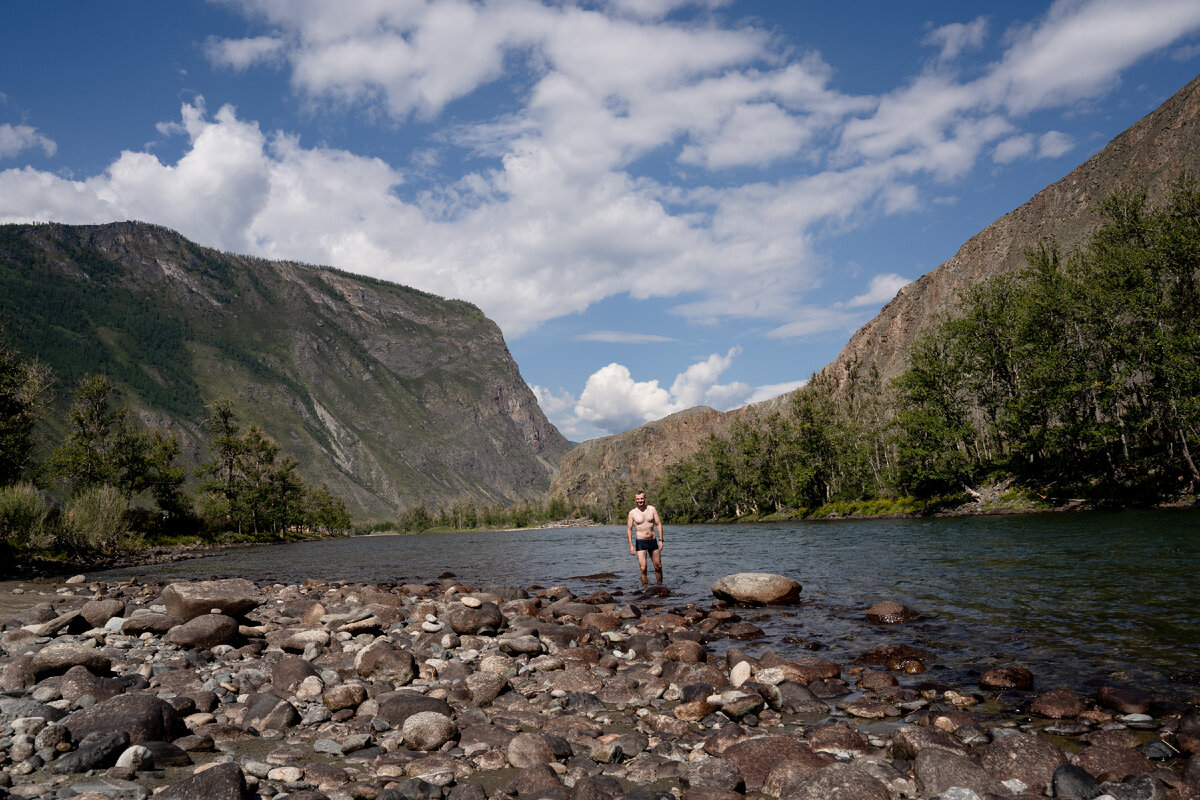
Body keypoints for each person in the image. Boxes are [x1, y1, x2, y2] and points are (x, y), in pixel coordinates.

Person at [626, 490, 663, 579]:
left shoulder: (652, 509)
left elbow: (658, 524)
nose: (640, 500)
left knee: (658, 566)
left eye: (642, 498)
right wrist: (631, 545)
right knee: (643, 568)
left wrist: (661, 540)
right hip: (640, 542)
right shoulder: (632, 513)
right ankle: (645, 590)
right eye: (638, 499)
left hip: (652, 540)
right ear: (635, 500)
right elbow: (629, 529)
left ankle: (660, 586)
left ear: (645, 498)